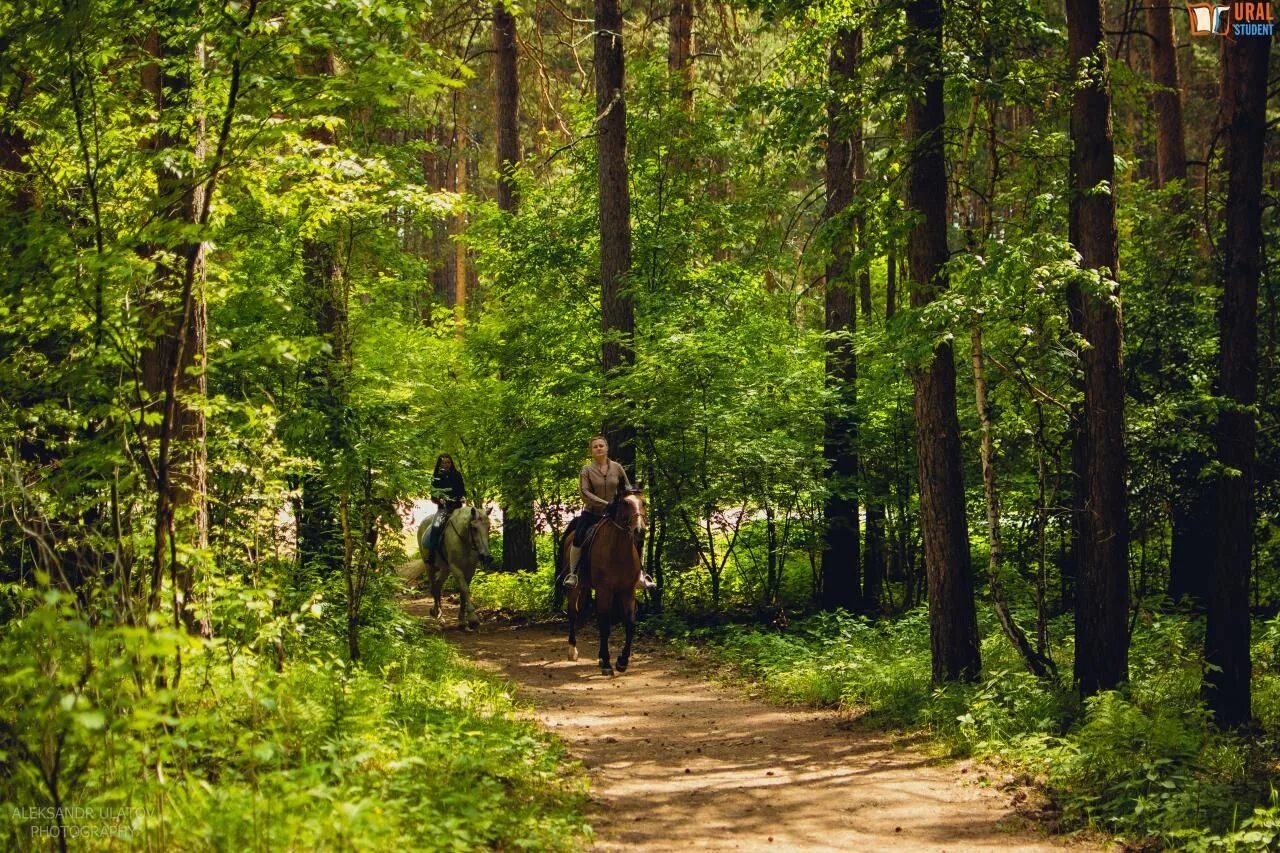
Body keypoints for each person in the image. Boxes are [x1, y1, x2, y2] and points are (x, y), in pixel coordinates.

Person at [564, 435, 656, 590]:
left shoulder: (617, 467)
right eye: (595, 447)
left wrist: (633, 496)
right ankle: (573, 574)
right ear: (591, 451)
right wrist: (604, 503)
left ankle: (640, 574)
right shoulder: (586, 470)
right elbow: (584, 492)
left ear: (607, 448)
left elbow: (626, 487)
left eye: (601, 445)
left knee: (637, 535)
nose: (599, 448)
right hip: (592, 513)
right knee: (579, 537)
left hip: (614, 514)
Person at [424, 453, 466, 565]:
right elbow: (433, 496)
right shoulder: (436, 476)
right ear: (440, 464)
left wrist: (463, 497)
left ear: (451, 463)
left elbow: (462, 490)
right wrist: (439, 500)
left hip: (458, 508)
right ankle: (431, 555)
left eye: (448, 462)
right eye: (443, 463)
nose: (446, 465)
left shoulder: (457, 475)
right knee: (436, 527)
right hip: (443, 510)